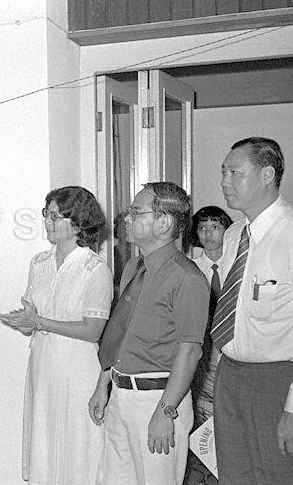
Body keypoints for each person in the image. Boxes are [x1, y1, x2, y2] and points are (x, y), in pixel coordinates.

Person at [89, 182, 209, 485]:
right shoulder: (133, 267)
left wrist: (166, 411)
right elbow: (122, 332)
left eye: (135, 212)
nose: (126, 219)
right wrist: (103, 384)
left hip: (157, 399)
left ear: (164, 222)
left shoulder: (187, 278)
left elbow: (190, 351)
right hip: (120, 394)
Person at [0, 186, 112, 485]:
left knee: (77, 449)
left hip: (78, 371)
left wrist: (39, 321)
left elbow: (92, 330)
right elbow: (34, 318)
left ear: (78, 223)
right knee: (45, 444)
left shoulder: (94, 268)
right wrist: (22, 321)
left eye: (55, 216)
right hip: (43, 367)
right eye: (46, 214)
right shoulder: (39, 263)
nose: (48, 222)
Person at [213, 137, 293, 485]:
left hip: (276, 380)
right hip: (230, 374)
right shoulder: (233, 235)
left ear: (266, 175)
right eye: (223, 172)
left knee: (275, 475)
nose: (224, 182)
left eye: (235, 173)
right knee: (233, 473)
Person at [189, 206, 233, 425]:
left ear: (227, 230)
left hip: (229, 349)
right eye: (202, 228)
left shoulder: (235, 269)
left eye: (215, 227)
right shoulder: (190, 270)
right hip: (202, 349)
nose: (208, 234)